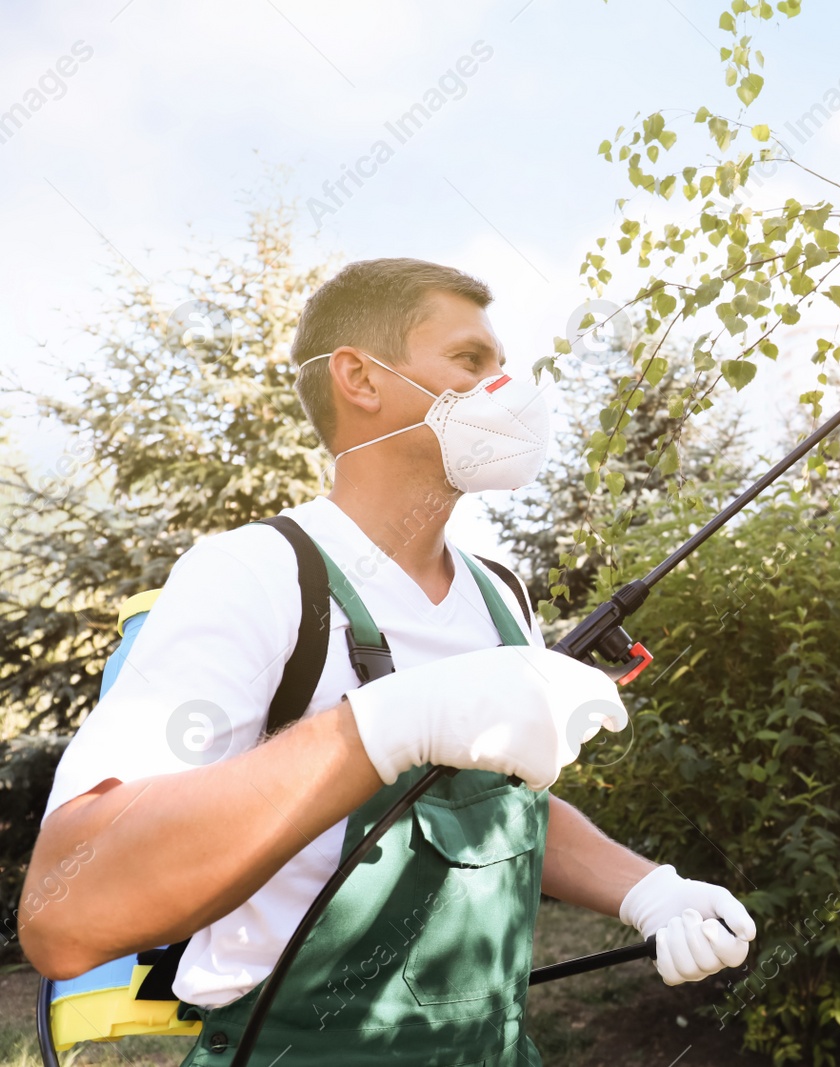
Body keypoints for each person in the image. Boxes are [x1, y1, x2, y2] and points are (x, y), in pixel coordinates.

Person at [21, 259, 756, 1065]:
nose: (507, 389)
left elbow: (494, 810)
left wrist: (647, 889)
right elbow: (66, 915)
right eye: (470, 362)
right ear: (361, 379)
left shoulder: (499, 593)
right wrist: (382, 727)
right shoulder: (257, 575)